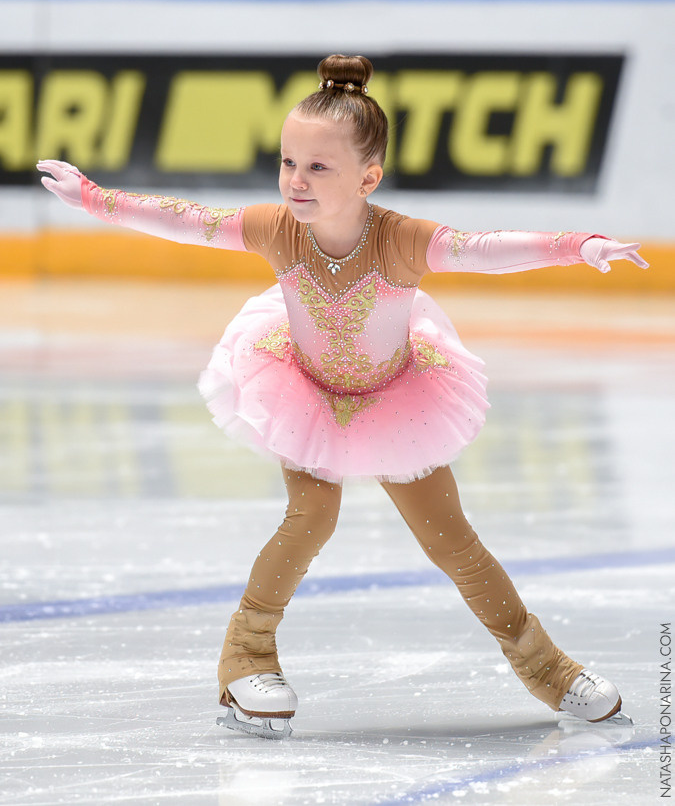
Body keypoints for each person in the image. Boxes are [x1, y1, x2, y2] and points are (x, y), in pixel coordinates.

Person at [37, 54, 647, 740]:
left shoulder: (399, 242)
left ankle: (550, 671)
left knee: (453, 545)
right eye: (288, 162)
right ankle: (245, 658)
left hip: (396, 399)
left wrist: (577, 244)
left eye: (318, 168)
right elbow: (186, 219)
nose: (296, 181)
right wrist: (93, 198)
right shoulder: (277, 230)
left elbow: (483, 248)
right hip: (307, 393)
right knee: (312, 514)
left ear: (368, 177)